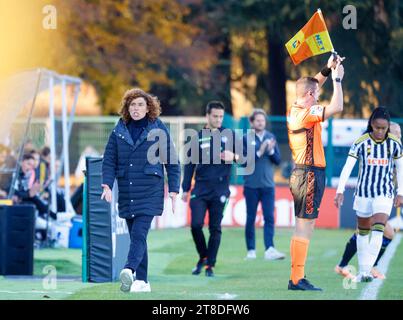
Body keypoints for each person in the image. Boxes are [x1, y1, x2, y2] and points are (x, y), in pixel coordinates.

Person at [101, 88, 180, 293]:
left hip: (150, 191)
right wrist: (107, 184)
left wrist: (173, 190)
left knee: (138, 233)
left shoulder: (158, 129)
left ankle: (129, 269)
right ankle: (143, 281)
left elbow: (172, 161)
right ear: (127, 108)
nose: (135, 108)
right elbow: (109, 160)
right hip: (127, 191)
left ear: (148, 108)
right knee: (138, 237)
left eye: (140, 105)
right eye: (132, 105)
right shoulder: (119, 130)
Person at [287, 53, 345, 291]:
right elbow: (337, 106)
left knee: (305, 225)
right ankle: (296, 279)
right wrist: (338, 80)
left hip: (304, 173)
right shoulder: (308, 114)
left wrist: (327, 68)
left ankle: (297, 277)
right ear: (310, 96)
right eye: (317, 94)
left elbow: (313, 85)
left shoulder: (295, 107)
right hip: (309, 174)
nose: (319, 95)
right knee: (304, 226)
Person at [334, 109, 403, 282]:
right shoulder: (361, 142)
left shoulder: (394, 143)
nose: (380, 131)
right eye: (378, 127)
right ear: (371, 124)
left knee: (379, 230)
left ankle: (366, 269)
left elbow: (401, 169)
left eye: (384, 128)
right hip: (363, 193)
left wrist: (400, 193)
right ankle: (363, 271)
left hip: (384, 192)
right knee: (363, 234)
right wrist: (340, 190)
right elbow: (348, 166)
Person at [182, 101, 239, 277]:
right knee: (196, 225)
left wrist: (234, 156)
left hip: (220, 190)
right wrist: (185, 189)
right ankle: (203, 256)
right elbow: (189, 165)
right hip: (200, 188)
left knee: (215, 228)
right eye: (215, 116)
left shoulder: (230, 136)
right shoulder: (196, 137)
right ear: (207, 116)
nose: (218, 119)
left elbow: (246, 158)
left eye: (221, 116)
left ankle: (210, 266)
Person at [242, 108, 285, 260]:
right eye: (258, 120)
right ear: (252, 122)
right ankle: (251, 250)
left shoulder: (270, 137)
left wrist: (271, 151)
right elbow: (243, 162)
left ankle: (270, 249)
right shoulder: (245, 138)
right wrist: (260, 151)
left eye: (263, 120)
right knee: (250, 218)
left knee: (269, 217)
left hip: (268, 185)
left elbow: (278, 161)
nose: (261, 123)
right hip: (251, 185)